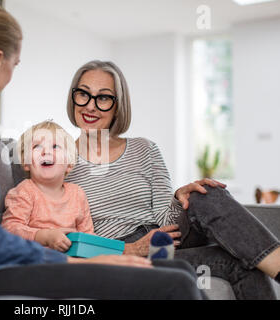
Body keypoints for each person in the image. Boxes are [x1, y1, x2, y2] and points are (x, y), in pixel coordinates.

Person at [0, 3, 204, 299]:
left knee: (179, 271)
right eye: (15, 65)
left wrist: (89, 258)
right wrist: (69, 262)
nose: (11, 76)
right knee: (174, 284)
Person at [64, 60, 280, 300]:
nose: (90, 106)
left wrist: (179, 198)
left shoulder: (144, 149)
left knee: (204, 193)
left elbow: (166, 218)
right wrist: (132, 249)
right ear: (73, 97)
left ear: (118, 106)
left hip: (166, 236)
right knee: (241, 263)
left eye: (103, 98)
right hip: (121, 251)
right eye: (83, 94)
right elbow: (60, 240)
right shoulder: (58, 162)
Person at [1, 120, 94, 252]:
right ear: (26, 163)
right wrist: (45, 236)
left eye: (55, 146)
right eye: (37, 146)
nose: (46, 151)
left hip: (73, 261)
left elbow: (88, 236)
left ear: (69, 164)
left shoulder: (77, 194)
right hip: (36, 258)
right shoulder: (25, 191)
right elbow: (10, 229)